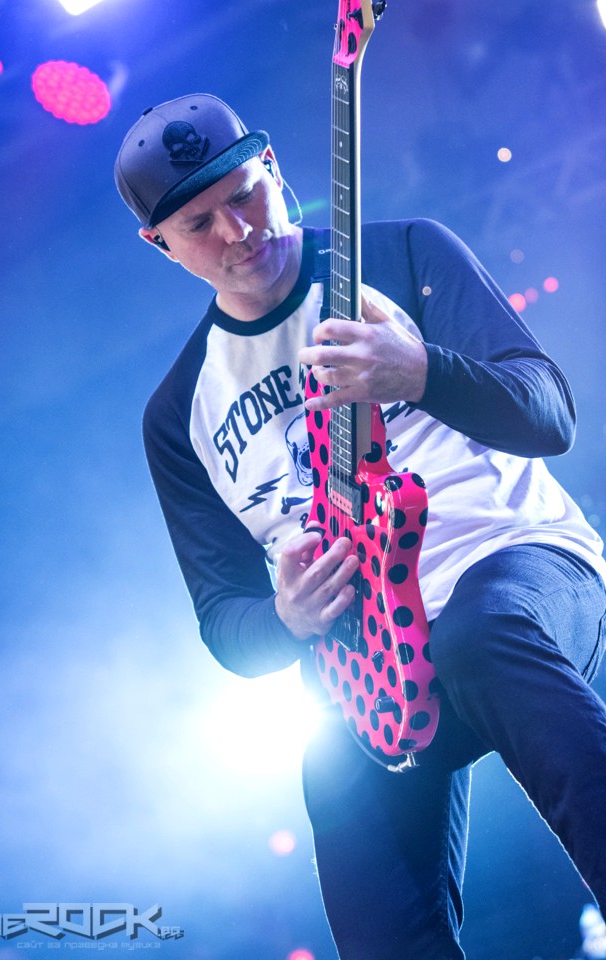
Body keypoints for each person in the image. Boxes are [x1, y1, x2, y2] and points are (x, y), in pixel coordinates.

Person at [114, 93, 606, 959]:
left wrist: (423, 373)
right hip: (364, 660)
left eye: (245, 193)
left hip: (514, 565)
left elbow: (550, 416)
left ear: (274, 168)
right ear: (159, 245)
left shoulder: (402, 252)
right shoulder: (177, 413)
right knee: (359, 857)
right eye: (199, 224)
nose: (237, 230)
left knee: (480, 636)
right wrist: (287, 618)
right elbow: (226, 623)